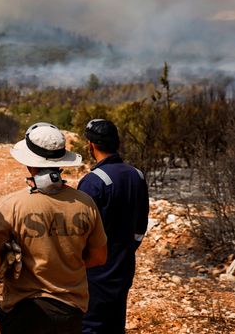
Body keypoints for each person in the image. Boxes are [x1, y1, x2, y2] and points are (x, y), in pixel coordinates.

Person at [0, 122, 108, 334]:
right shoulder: (86, 203)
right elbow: (99, 257)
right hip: (70, 311)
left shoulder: (11, 205)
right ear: (62, 163)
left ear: (29, 164)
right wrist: (66, 265)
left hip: (21, 310)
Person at [79, 119, 149, 334]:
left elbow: (81, 232)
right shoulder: (137, 175)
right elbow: (141, 226)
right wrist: (126, 250)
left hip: (96, 272)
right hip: (124, 265)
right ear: (117, 142)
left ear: (91, 145)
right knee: (115, 323)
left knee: (90, 325)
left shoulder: (93, 182)